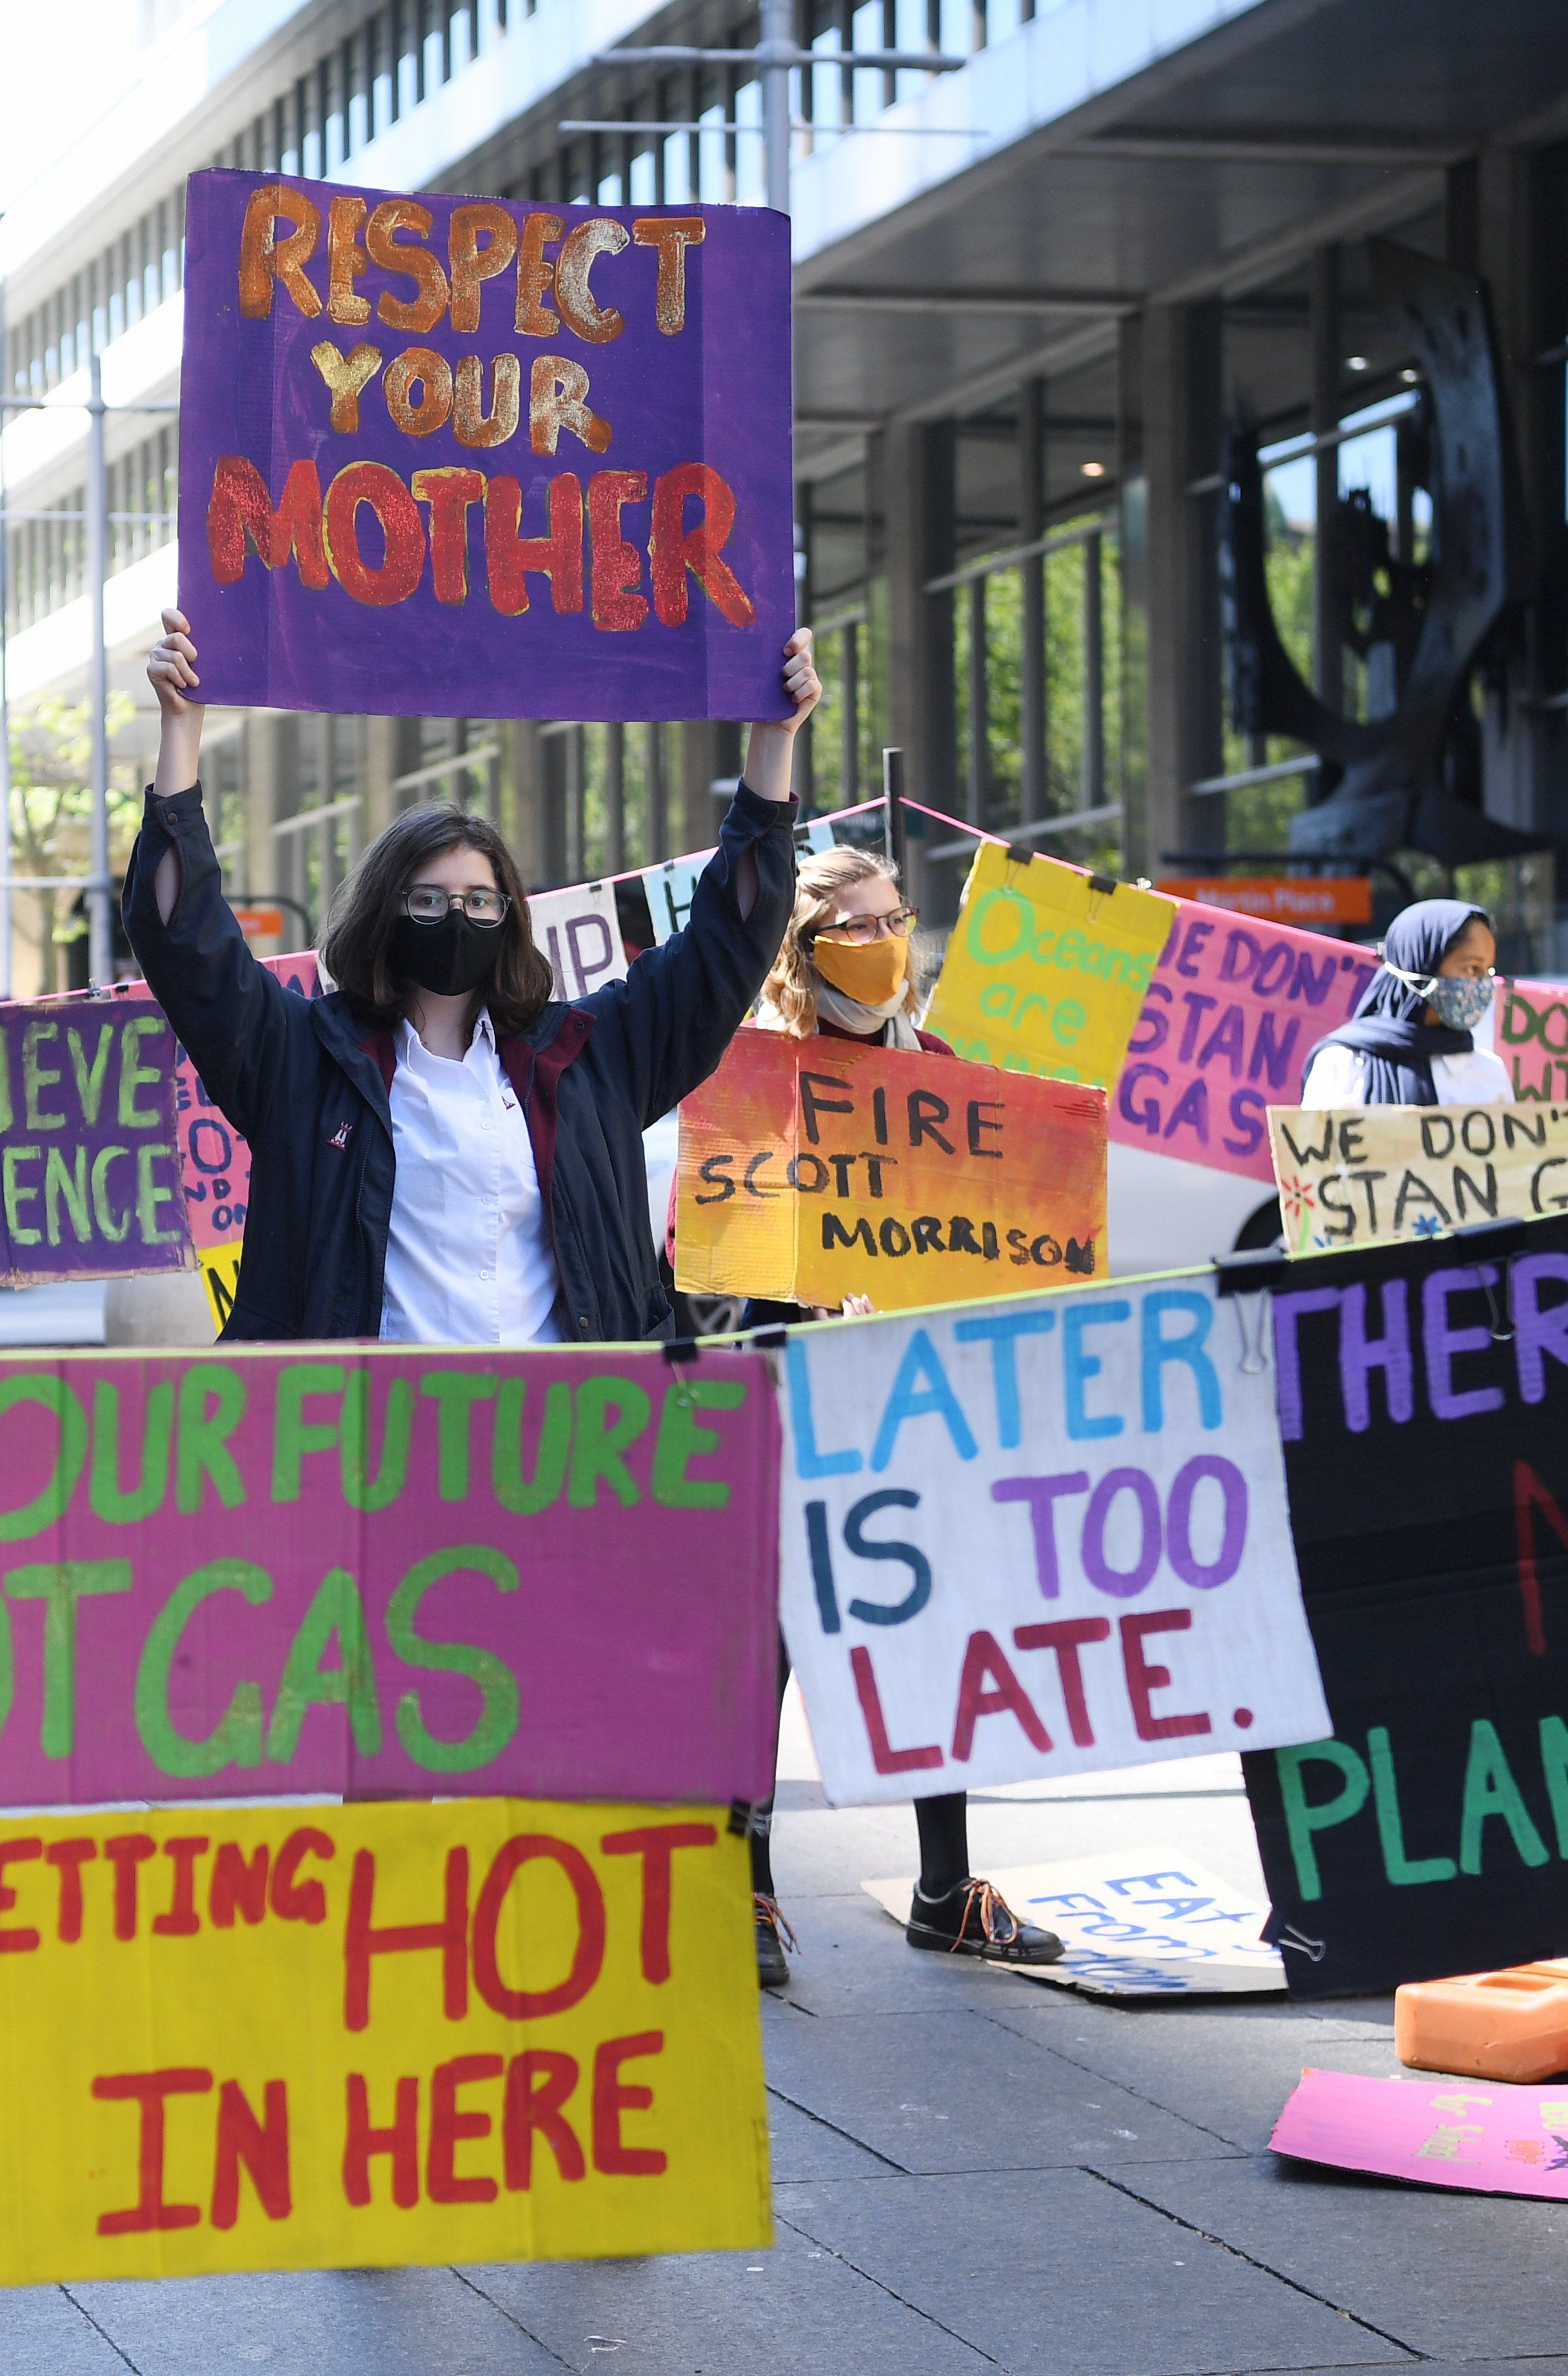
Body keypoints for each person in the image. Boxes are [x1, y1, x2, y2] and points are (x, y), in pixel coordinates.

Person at [126, 604, 817, 1975]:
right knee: (390, 1715)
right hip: (378, 1453)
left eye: (483, 899)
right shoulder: (305, 1057)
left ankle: (542, 1942)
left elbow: (732, 942)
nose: (460, 919)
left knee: (563, 1708)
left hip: (567, 1445)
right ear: (389, 912)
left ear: (514, 920)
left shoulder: (586, 1055)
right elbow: (185, 943)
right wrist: (180, 738)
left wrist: (774, 747)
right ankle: (387, 1948)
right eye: (433, 899)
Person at [736, 843, 1063, 1979]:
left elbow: (1000, 1242)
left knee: (931, 1624)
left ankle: (942, 1887)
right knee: (766, 1641)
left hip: (919, 1404)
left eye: (892, 922)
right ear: (800, 953)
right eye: (852, 930)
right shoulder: (757, 1085)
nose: (880, 948)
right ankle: (748, 1886)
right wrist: (806, 1284)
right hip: (792, 1400)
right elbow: (711, 1266)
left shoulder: (948, 1072)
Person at [1298, 898, 1509, 1107]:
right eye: (1472, 969)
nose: (1484, 984)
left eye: (1488, 971)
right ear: (1422, 963)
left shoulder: (1489, 1072)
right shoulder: (1343, 1064)